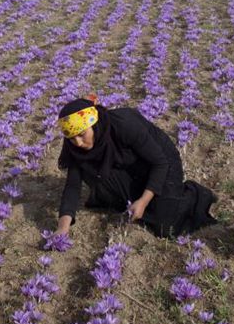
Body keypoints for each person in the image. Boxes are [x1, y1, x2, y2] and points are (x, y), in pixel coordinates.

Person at [55, 96, 217, 238]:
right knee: (113, 194)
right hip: (129, 166)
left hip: (161, 161)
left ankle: (195, 193)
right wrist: (63, 228)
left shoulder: (124, 125)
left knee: (165, 226)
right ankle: (143, 195)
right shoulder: (76, 145)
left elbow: (160, 163)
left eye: (82, 135)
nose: (78, 143)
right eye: (71, 138)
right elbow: (72, 186)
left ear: (94, 125)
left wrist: (144, 201)